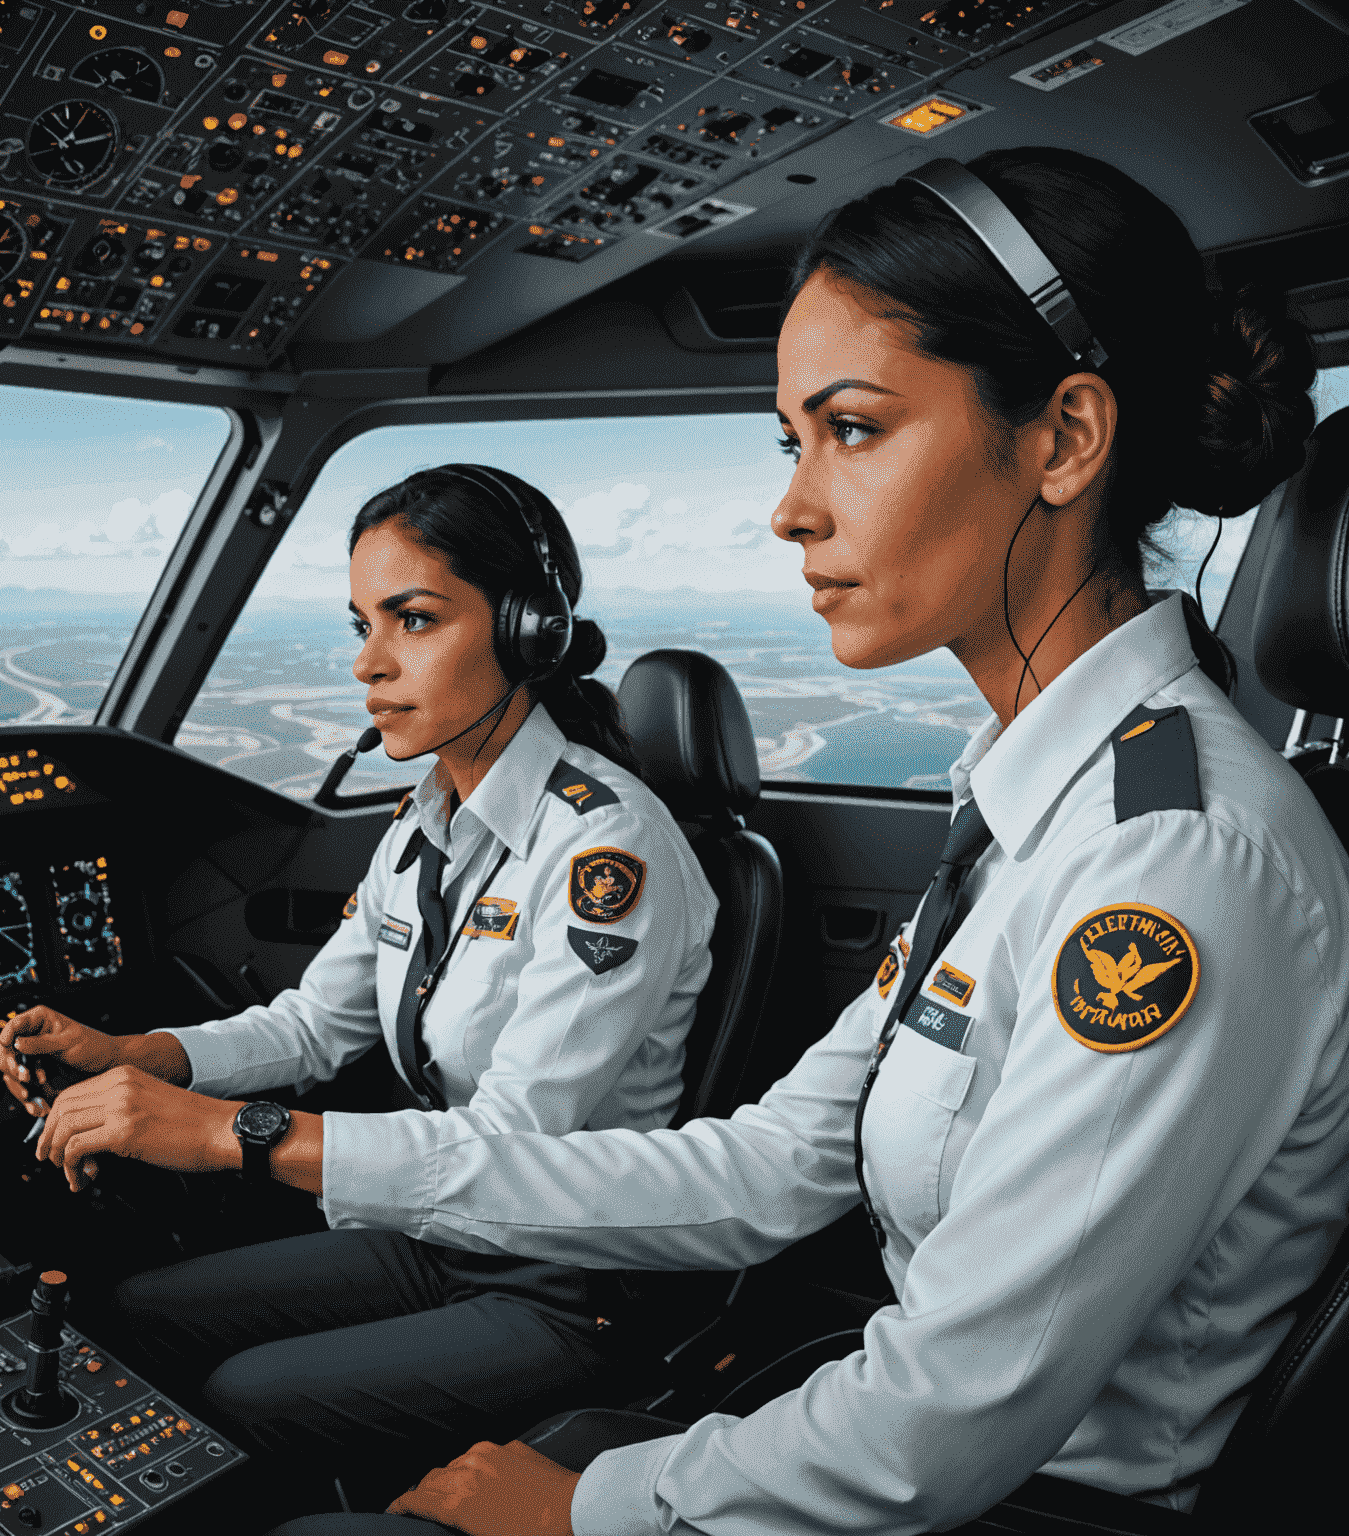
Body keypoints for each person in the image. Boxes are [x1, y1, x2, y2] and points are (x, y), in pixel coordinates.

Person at [213, 148, 1347, 1536]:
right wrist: (267, 1141)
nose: (792, 506)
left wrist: (590, 1505)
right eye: (790, 441)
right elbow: (760, 1169)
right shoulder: (1029, 817)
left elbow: (953, 1409)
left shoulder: (1174, 859)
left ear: (1062, 440)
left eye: (853, 429)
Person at [0, 464, 718, 1508]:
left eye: (413, 620)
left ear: (527, 634)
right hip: (447, 1234)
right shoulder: (427, 820)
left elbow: (512, 1140)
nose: (369, 664)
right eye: (360, 625)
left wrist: (217, 1133)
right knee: (132, 1311)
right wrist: (136, 1055)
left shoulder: (610, 854)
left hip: (567, 1277)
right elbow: (315, 1025)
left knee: (246, 1393)